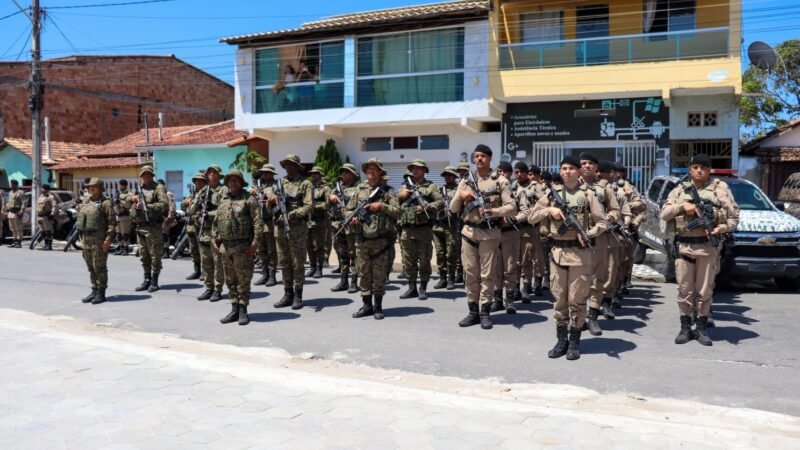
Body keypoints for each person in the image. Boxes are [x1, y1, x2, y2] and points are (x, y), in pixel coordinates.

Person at [529, 155, 607, 360]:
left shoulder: (588, 194)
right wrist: (550, 210)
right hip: (557, 253)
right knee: (560, 300)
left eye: (572, 168)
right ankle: (561, 341)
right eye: (564, 168)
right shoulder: (552, 194)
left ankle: (574, 342)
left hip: (580, 255)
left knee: (577, 300)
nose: (567, 171)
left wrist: (588, 234)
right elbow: (531, 216)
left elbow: (602, 222)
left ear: (579, 171)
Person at [660, 154, 739, 346]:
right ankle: (685, 328)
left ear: (709, 169)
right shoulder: (680, 189)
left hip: (707, 245)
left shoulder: (720, 189)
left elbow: (734, 216)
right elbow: (664, 213)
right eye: (695, 167)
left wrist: (723, 228)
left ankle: (701, 328)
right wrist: (682, 206)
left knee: (704, 291)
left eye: (703, 167)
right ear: (689, 169)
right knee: (684, 290)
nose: (699, 170)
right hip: (684, 246)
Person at [450, 145, 515, 330]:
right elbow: (453, 209)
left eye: (483, 156)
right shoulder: (465, 181)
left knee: (488, 275)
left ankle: (485, 312)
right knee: (470, 273)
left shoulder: (500, 180)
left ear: (490, 158)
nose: (479, 159)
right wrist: (461, 196)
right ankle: (473, 312)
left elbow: (512, 207)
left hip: (489, 234)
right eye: (476, 156)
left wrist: (492, 211)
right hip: (469, 232)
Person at [349, 158, 400, 320]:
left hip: (381, 242)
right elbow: (348, 209)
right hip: (362, 239)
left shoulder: (388, 191)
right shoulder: (359, 190)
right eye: (368, 168)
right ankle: (366, 306)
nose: (371, 170)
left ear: (380, 172)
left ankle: (378, 307)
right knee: (363, 273)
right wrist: (352, 218)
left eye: (374, 168)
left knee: (378, 275)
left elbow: (398, 211)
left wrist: (382, 206)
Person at [215, 170, 264, 326]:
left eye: (236, 180)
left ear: (241, 183)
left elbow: (258, 224)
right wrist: (214, 242)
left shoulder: (249, 200)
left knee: (243, 280)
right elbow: (215, 223)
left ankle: (243, 309)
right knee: (230, 280)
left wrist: (254, 244)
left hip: (243, 246)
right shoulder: (223, 200)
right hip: (225, 246)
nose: (233, 183)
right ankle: (234, 308)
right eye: (230, 180)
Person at [579, 153, 621, 337]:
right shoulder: (570, 186)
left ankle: (593, 316)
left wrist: (603, 220)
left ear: (596, 168)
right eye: (583, 163)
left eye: (590, 163)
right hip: (575, 239)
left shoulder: (604, 189)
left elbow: (615, 211)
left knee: (597, 279)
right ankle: (578, 317)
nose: (587, 166)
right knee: (577, 280)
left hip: (599, 238)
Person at [271, 154, 312, 310]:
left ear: (297, 167)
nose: (289, 167)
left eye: (292, 165)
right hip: (280, 229)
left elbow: (309, 207)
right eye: (286, 165)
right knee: (284, 262)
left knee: (297, 263)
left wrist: (291, 214)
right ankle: (287, 294)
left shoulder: (305, 184)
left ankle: (298, 295)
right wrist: (271, 201)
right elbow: (270, 208)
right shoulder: (278, 184)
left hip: (297, 230)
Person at [397, 159, 442, 300]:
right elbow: (394, 203)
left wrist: (427, 206)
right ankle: (412, 288)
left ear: (424, 170)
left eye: (417, 168)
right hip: (406, 229)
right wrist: (400, 196)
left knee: (424, 259)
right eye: (413, 168)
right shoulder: (404, 186)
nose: (414, 170)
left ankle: (423, 287)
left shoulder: (430, 187)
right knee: (408, 260)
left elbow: (440, 202)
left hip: (423, 229)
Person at [492, 161, 528, 314]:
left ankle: (510, 300)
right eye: (498, 172)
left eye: (503, 172)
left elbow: (525, 211)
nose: (500, 175)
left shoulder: (517, 190)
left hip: (510, 233)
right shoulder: (491, 190)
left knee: (510, 267)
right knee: (495, 268)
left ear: (509, 173)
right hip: (493, 232)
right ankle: (497, 299)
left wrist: (514, 219)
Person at [77, 178, 116, 305]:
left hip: (99, 240)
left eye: (94, 186)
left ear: (100, 188)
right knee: (91, 267)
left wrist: (108, 239)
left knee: (99, 267)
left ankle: (101, 292)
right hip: (86, 240)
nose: (91, 189)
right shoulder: (86, 202)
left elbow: (112, 223)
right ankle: (94, 290)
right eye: (89, 187)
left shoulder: (105, 203)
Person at [610, 162, 645, 307]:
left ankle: (619, 286)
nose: (617, 174)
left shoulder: (628, 188)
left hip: (626, 228)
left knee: (624, 260)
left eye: (619, 172)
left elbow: (641, 207)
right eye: (614, 171)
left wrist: (628, 210)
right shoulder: (603, 187)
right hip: (607, 228)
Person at [191, 165, 227, 301]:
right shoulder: (203, 191)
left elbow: (224, 210)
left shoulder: (224, 190)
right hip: (203, 231)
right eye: (210, 173)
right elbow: (191, 209)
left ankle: (218, 289)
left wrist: (209, 214)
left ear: (219, 175)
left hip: (217, 231)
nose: (212, 175)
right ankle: (208, 287)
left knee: (217, 262)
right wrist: (198, 202)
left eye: (214, 173)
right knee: (206, 261)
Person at [132, 166, 169, 293]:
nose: (146, 177)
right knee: (144, 255)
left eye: (149, 174)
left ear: (152, 176)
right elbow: (131, 208)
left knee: (155, 255)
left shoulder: (158, 188)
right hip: (140, 226)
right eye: (144, 175)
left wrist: (147, 206)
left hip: (153, 227)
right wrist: (135, 205)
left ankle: (154, 281)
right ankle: (146, 279)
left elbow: (164, 205)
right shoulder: (139, 189)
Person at [515, 162, 547, 301]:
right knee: (516, 260)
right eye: (517, 172)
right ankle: (516, 288)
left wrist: (534, 199)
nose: (520, 175)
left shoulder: (536, 187)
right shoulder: (512, 186)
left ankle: (529, 285)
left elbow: (544, 203)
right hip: (515, 228)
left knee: (530, 258)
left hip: (531, 228)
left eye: (522, 172)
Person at [329, 163, 360, 292]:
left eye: (347, 172)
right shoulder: (336, 188)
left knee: (354, 254)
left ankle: (353, 281)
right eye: (343, 172)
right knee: (342, 255)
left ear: (353, 174)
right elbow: (328, 205)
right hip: (339, 225)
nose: (344, 174)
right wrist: (330, 198)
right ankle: (343, 281)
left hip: (352, 226)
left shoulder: (359, 188)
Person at [432, 166, 461, 291]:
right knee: (440, 253)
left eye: (449, 175)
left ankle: (451, 278)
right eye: (445, 175)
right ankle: (442, 278)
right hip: (438, 226)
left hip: (451, 226)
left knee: (451, 253)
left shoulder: (458, 190)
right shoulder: (439, 190)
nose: (447, 177)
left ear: (454, 176)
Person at [251, 164, 279, 287]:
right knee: (261, 250)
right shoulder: (258, 186)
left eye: (268, 172)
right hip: (259, 222)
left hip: (271, 222)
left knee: (271, 250)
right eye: (264, 172)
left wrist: (273, 198)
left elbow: (280, 200)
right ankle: (265, 274)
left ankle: (272, 275)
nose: (265, 174)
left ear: (272, 174)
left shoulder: (277, 185)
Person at [306, 166, 331, 279]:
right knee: (309, 245)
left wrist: (314, 207)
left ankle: (319, 268)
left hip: (320, 220)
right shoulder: (309, 187)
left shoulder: (326, 188)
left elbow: (328, 204)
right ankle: (312, 267)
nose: (313, 175)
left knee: (319, 246)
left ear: (321, 175)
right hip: (308, 220)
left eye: (316, 173)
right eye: (312, 173)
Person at [182, 173, 207, 279]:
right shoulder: (192, 194)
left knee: (203, 250)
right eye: (197, 181)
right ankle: (196, 270)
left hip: (200, 224)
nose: (198, 182)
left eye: (201, 181)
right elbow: (183, 207)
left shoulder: (206, 193)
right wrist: (186, 202)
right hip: (190, 224)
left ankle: (205, 272)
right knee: (193, 249)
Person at [35, 184, 58, 251]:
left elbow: (54, 206)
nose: (41, 190)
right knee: (43, 232)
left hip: (46, 217)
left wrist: (52, 214)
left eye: (42, 188)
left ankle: (49, 245)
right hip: (40, 216)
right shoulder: (41, 196)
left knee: (49, 231)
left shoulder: (50, 197)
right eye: (41, 188)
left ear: (46, 189)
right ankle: (45, 245)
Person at [114, 179, 134, 256]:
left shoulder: (129, 194)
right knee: (118, 234)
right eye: (119, 185)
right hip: (118, 216)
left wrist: (120, 201)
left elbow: (128, 205)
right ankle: (121, 247)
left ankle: (126, 249)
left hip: (125, 216)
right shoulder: (118, 194)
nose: (120, 186)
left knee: (125, 234)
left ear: (125, 186)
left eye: (121, 185)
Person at [6, 180, 24, 248]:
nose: (11, 186)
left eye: (12, 184)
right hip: (10, 212)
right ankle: (15, 241)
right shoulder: (10, 192)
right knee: (13, 228)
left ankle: (19, 242)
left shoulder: (20, 192)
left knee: (18, 228)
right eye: (11, 184)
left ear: (16, 185)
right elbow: (9, 202)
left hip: (17, 212)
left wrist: (21, 211)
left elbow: (24, 203)